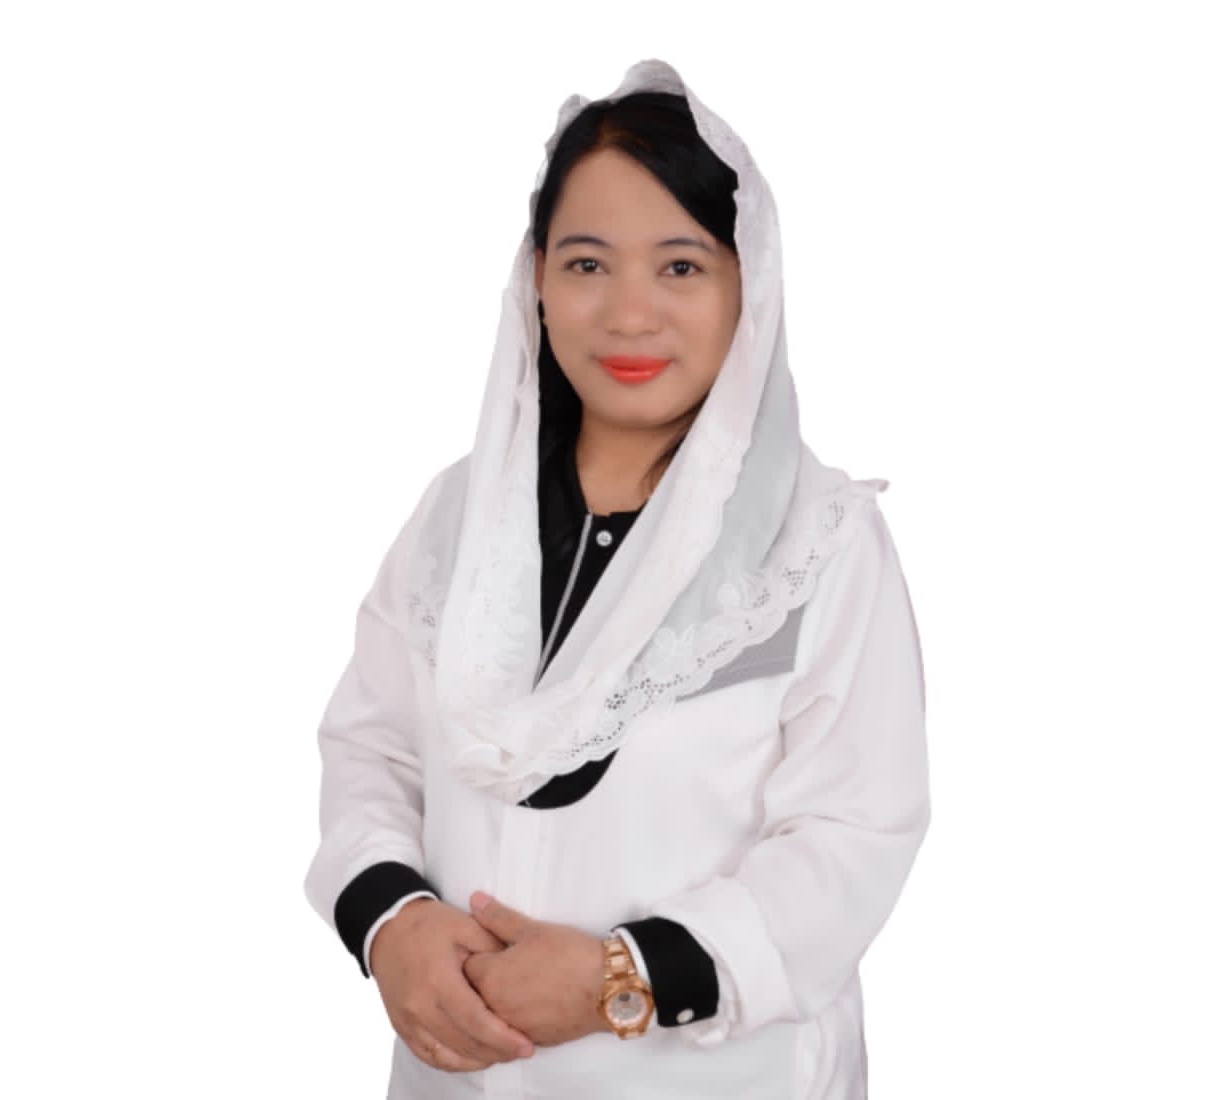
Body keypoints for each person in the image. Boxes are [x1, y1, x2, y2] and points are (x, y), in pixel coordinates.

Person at [303, 58, 931, 1100]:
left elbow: (852, 836)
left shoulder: (818, 546)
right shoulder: (456, 517)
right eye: (587, 263)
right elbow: (372, 747)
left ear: (748, 285)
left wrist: (620, 977)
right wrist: (392, 922)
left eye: (680, 266)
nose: (629, 314)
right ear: (536, 280)